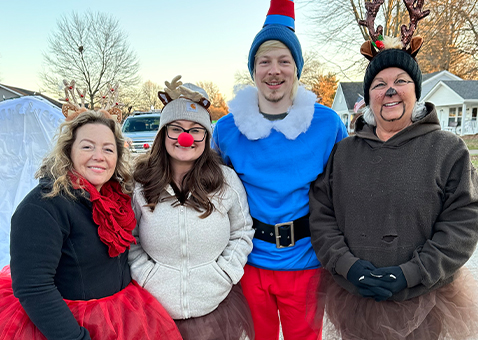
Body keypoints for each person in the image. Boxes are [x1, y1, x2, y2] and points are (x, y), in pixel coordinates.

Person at [309, 1, 478, 339]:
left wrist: (412, 272)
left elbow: (463, 221)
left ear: (416, 91)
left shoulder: (448, 150)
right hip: (355, 300)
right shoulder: (343, 153)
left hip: (424, 303)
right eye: (378, 84)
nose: (389, 90)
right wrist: (348, 266)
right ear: (368, 96)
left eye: (400, 81)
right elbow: (321, 215)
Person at [0, 105, 182, 339]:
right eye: (87, 146)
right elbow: (34, 288)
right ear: (68, 150)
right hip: (68, 326)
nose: (98, 156)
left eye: (108, 149)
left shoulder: (115, 197)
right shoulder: (42, 206)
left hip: (122, 315)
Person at [212, 1, 348, 339]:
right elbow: (211, 188)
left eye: (284, 61)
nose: (275, 70)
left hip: (305, 262)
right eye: (265, 61)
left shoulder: (327, 124)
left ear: (297, 68)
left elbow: (349, 187)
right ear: (253, 70)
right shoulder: (227, 129)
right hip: (250, 263)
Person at [129, 76, 255, 340]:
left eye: (195, 130)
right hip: (156, 312)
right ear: (163, 134)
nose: (185, 138)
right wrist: (146, 275)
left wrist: (226, 272)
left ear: (206, 135)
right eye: (176, 128)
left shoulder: (226, 180)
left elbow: (242, 231)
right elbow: (130, 239)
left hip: (215, 308)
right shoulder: (140, 184)